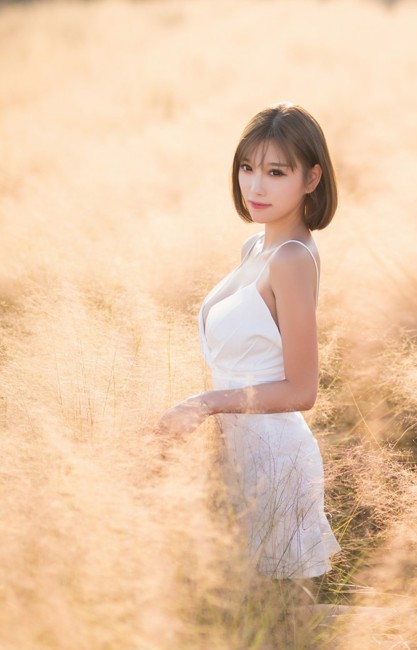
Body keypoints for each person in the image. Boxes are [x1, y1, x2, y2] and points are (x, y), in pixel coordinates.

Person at [155, 102, 342, 582]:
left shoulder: (292, 260)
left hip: (272, 459)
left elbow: (303, 391)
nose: (256, 186)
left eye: (276, 172)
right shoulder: (257, 248)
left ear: (312, 178)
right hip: (234, 451)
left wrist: (205, 403)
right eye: (247, 167)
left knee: (280, 625)